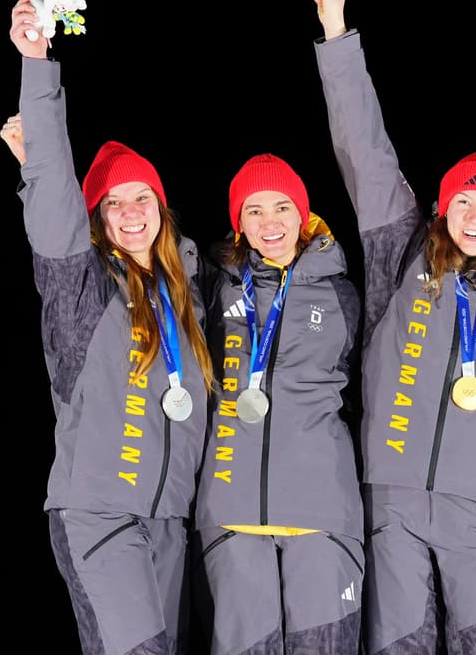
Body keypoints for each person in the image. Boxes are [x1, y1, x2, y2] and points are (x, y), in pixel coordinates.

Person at [312, 0, 476, 653]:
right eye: (463, 201)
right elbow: (365, 148)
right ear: (442, 206)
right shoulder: (400, 252)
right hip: (393, 499)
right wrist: (337, 36)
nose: (474, 215)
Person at [4, 0, 215, 655]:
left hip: (170, 521)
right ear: (96, 217)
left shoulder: (191, 295)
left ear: (161, 206)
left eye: (141, 197)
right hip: (100, 514)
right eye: (112, 202)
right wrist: (37, 63)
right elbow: (53, 203)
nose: (129, 213)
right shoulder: (83, 291)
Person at [192, 151, 365, 654]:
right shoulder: (213, 284)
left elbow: (361, 389)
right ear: (239, 223)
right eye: (254, 210)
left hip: (321, 507)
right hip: (230, 505)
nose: (270, 223)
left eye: (282, 207)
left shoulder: (342, 292)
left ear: (302, 214)